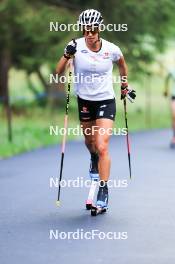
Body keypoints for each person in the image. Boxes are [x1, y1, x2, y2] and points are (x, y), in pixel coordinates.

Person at [55, 9, 136, 210]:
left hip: (106, 100)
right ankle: (93, 158)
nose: (89, 34)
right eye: (86, 31)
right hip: (84, 101)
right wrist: (66, 55)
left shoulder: (111, 49)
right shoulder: (75, 46)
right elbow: (57, 71)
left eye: (93, 30)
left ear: (99, 29)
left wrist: (124, 86)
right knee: (90, 142)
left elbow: (122, 66)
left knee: (102, 145)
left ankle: (103, 188)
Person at [164, 70, 175, 148]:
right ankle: (174, 137)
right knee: (174, 116)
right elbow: (167, 78)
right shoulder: (172, 71)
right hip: (174, 97)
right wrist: (166, 89)